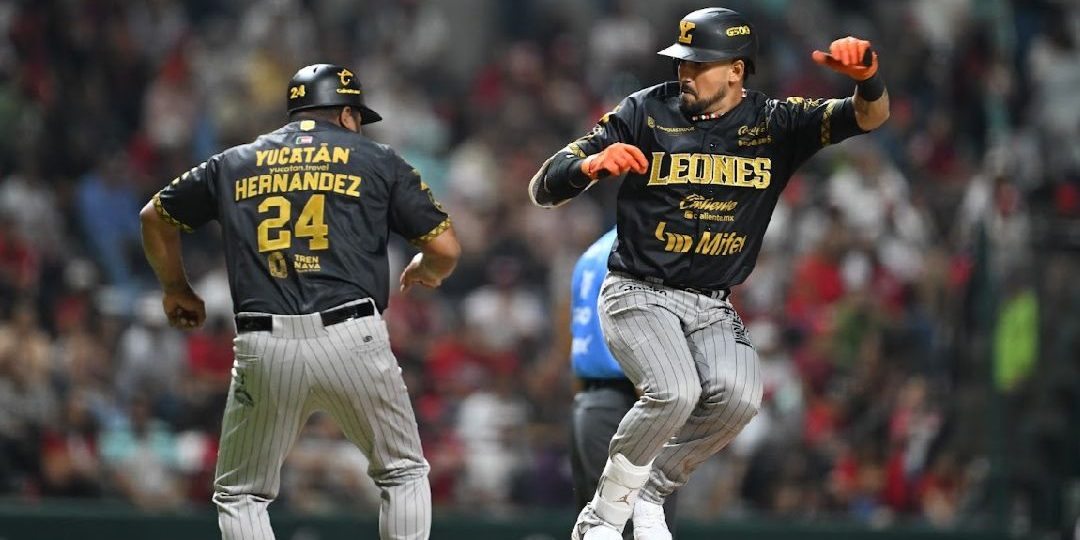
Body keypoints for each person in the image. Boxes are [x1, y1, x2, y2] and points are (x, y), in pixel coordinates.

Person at [528, 8, 889, 540]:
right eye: (681, 62)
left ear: (736, 70)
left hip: (711, 303)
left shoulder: (775, 122)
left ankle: (652, 492)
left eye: (698, 64)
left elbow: (869, 116)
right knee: (673, 391)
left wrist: (868, 78)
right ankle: (602, 517)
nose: (684, 73)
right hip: (638, 292)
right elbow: (542, 185)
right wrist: (587, 168)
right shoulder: (645, 110)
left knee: (740, 398)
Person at [140, 63, 460, 540]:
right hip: (352, 335)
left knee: (241, 494)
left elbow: (154, 217)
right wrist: (424, 270)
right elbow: (445, 250)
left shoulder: (234, 161)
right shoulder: (377, 158)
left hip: (263, 345)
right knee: (402, 472)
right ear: (348, 115)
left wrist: (176, 289)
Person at [568, 227, 677, 540]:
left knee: (598, 528)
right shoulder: (637, 248)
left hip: (590, 405)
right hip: (631, 405)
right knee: (640, 528)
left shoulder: (592, 251)